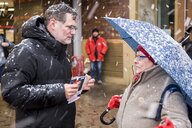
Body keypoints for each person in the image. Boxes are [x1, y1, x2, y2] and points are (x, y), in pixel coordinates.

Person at [1, 2, 95, 128]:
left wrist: (78, 87)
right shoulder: (25, 50)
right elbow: (12, 92)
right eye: (69, 27)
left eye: (74, 28)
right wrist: (60, 91)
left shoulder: (62, 51)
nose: (73, 32)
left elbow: (61, 84)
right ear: (53, 24)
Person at [107, 45, 191, 128]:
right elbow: (143, 98)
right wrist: (123, 100)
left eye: (141, 57)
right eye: (136, 56)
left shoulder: (169, 89)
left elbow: (181, 121)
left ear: (155, 60)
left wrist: (173, 126)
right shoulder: (141, 77)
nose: (135, 60)